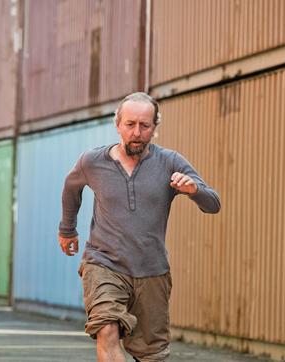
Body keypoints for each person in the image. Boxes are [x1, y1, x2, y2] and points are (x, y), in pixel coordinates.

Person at [58, 92, 221, 361]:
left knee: (152, 354)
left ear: (154, 128)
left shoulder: (170, 162)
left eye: (144, 126)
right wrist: (67, 229)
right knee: (106, 329)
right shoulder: (93, 162)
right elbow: (71, 187)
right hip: (104, 263)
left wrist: (194, 190)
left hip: (152, 271)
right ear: (118, 125)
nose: (136, 132)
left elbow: (213, 203)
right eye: (130, 124)